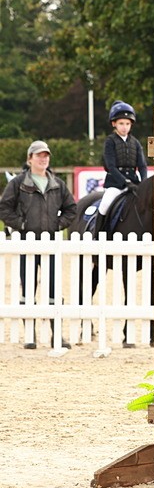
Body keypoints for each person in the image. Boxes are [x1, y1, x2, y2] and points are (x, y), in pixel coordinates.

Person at [0, 140, 78, 349]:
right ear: (30, 158)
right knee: (28, 288)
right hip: (27, 243)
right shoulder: (17, 183)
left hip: (51, 243)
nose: (43, 159)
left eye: (46, 155)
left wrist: (57, 225)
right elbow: (4, 208)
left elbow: (71, 209)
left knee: (54, 289)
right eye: (39, 155)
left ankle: (57, 335)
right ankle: (30, 336)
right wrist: (21, 225)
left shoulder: (58, 184)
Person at [98, 101, 148, 223]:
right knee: (104, 206)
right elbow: (110, 166)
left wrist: (143, 183)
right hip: (115, 184)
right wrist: (124, 182)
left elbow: (142, 165)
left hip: (134, 183)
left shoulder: (135, 142)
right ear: (114, 123)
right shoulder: (110, 141)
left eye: (127, 123)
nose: (124, 127)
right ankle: (97, 234)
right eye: (121, 123)